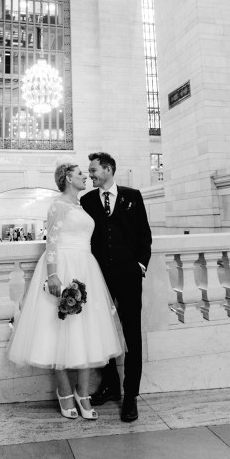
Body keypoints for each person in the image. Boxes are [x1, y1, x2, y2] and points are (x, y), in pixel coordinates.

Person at [6, 162, 125, 420]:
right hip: (63, 266)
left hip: (86, 267)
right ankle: (64, 391)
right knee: (56, 330)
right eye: (80, 173)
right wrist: (52, 275)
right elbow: (52, 241)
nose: (85, 177)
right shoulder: (58, 205)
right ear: (68, 178)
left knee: (86, 329)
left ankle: (83, 392)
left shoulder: (80, 205)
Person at [81, 151, 152, 423]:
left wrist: (140, 266)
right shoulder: (87, 200)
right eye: (88, 171)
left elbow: (144, 235)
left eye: (94, 170)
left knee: (132, 334)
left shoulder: (133, 196)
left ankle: (131, 395)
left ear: (108, 170)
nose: (90, 175)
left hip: (129, 276)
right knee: (101, 331)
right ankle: (110, 385)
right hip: (99, 277)